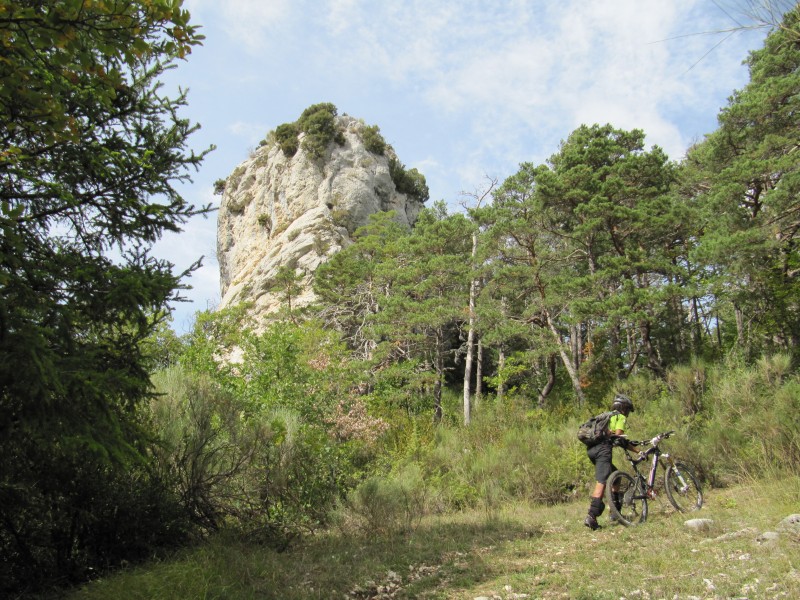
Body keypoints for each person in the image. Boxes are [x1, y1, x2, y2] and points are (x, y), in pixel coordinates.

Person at [583, 393, 639, 530]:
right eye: (627, 409)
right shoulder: (619, 417)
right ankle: (592, 515)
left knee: (615, 478)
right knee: (602, 480)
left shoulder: (605, 415)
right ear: (623, 408)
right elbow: (618, 437)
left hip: (591, 450)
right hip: (603, 450)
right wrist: (637, 450)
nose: (627, 413)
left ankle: (615, 511)